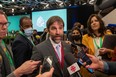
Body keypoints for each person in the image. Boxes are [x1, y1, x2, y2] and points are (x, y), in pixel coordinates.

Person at [0, 10, 39, 77]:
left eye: (6, 24)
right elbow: (19, 64)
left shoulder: (3, 43)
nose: (4, 27)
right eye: (0, 24)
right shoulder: (19, 41)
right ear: (21, 27)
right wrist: (19, 71)